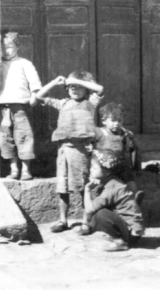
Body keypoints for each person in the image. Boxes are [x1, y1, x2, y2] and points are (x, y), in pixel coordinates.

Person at [36, 70, 103, 234]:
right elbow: (38, 96)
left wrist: (75, 79)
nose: (74, 89)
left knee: (82, 186)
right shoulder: (63, 103)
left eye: (79, 87)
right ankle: (62, 220)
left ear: (86, 90)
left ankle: (87, 222)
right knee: (62, 186)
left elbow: (99, 88)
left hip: (80, 148)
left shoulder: (90, 103)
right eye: (71, 86)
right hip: (63, 149)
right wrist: (55, 82)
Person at [0, 31, 42, 180]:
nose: (6, 50)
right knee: (6, 138)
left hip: (20, 106)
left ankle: (25, 170)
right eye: (3, 47)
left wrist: (34, 95)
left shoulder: (24, 63)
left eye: (10, 46)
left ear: (17, 47)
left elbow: (34, 82)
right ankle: (13, 169)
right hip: (3, 107)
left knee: (23, 135)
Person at [82, 149, 144, 251]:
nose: (91, 170)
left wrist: (87, 190)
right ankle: (118, 236)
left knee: (100, 214)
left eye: (94, 167)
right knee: (100, 210)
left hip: (132, 233)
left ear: (106, 172)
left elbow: (89, 209)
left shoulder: (112, 186)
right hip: (132, 230)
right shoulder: (111, 182)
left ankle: (120, 242)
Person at [93, 102, 142, 194]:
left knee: (129, 177)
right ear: (104, 121)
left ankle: (134, 197)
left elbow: (133, 149)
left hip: (119, 165)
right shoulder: (99, 132)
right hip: (104, 166)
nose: (117, 124)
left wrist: (131, 138)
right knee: (103, 183)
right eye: (113, 120)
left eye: (119, 121)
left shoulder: (123, 133)